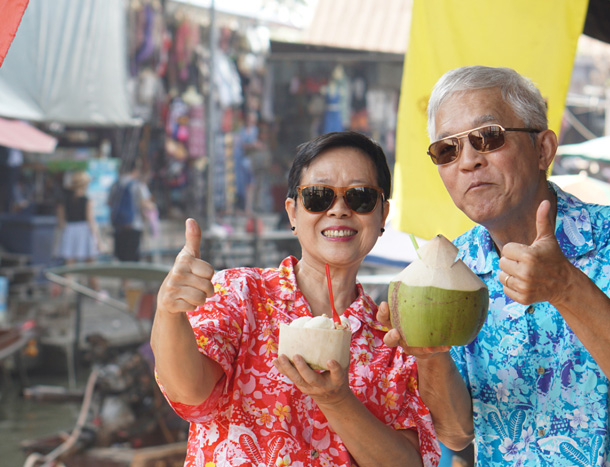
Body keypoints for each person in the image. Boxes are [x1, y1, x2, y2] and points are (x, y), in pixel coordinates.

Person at [378, 66, 610, 466]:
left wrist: (567, 287)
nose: (469, 161)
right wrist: (430, 356)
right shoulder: (452, 270)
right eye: (448, 149)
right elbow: (458, 434)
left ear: (544, 149)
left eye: (488, 137)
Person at [151, 131, 440, 466]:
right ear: (292, 212)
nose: (339, 210)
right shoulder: (240, 293)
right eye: (319, 196)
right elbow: (189, 391)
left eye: (360, 197)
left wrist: (337, 400)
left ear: (382, 214)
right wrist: (168, 311)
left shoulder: (392, 339)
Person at [55, 171, 101, 290]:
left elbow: (60, 221)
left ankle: (67, 295)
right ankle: (97, 293)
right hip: (84, 231)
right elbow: (91, 220)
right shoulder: (86, 200)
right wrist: (98, 240)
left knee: (69, 268)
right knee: (91, 267)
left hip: (69, 231)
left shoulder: (64, 200)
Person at [108, 159, 154, 263]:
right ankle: (129, 279)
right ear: (135, 170)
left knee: (121, 257)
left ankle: (124, 279)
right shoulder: (138, 185)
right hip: (135, 224)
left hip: (118, 225)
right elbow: (144, 203)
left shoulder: (116, 184)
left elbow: (109, 203)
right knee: (132, 258)